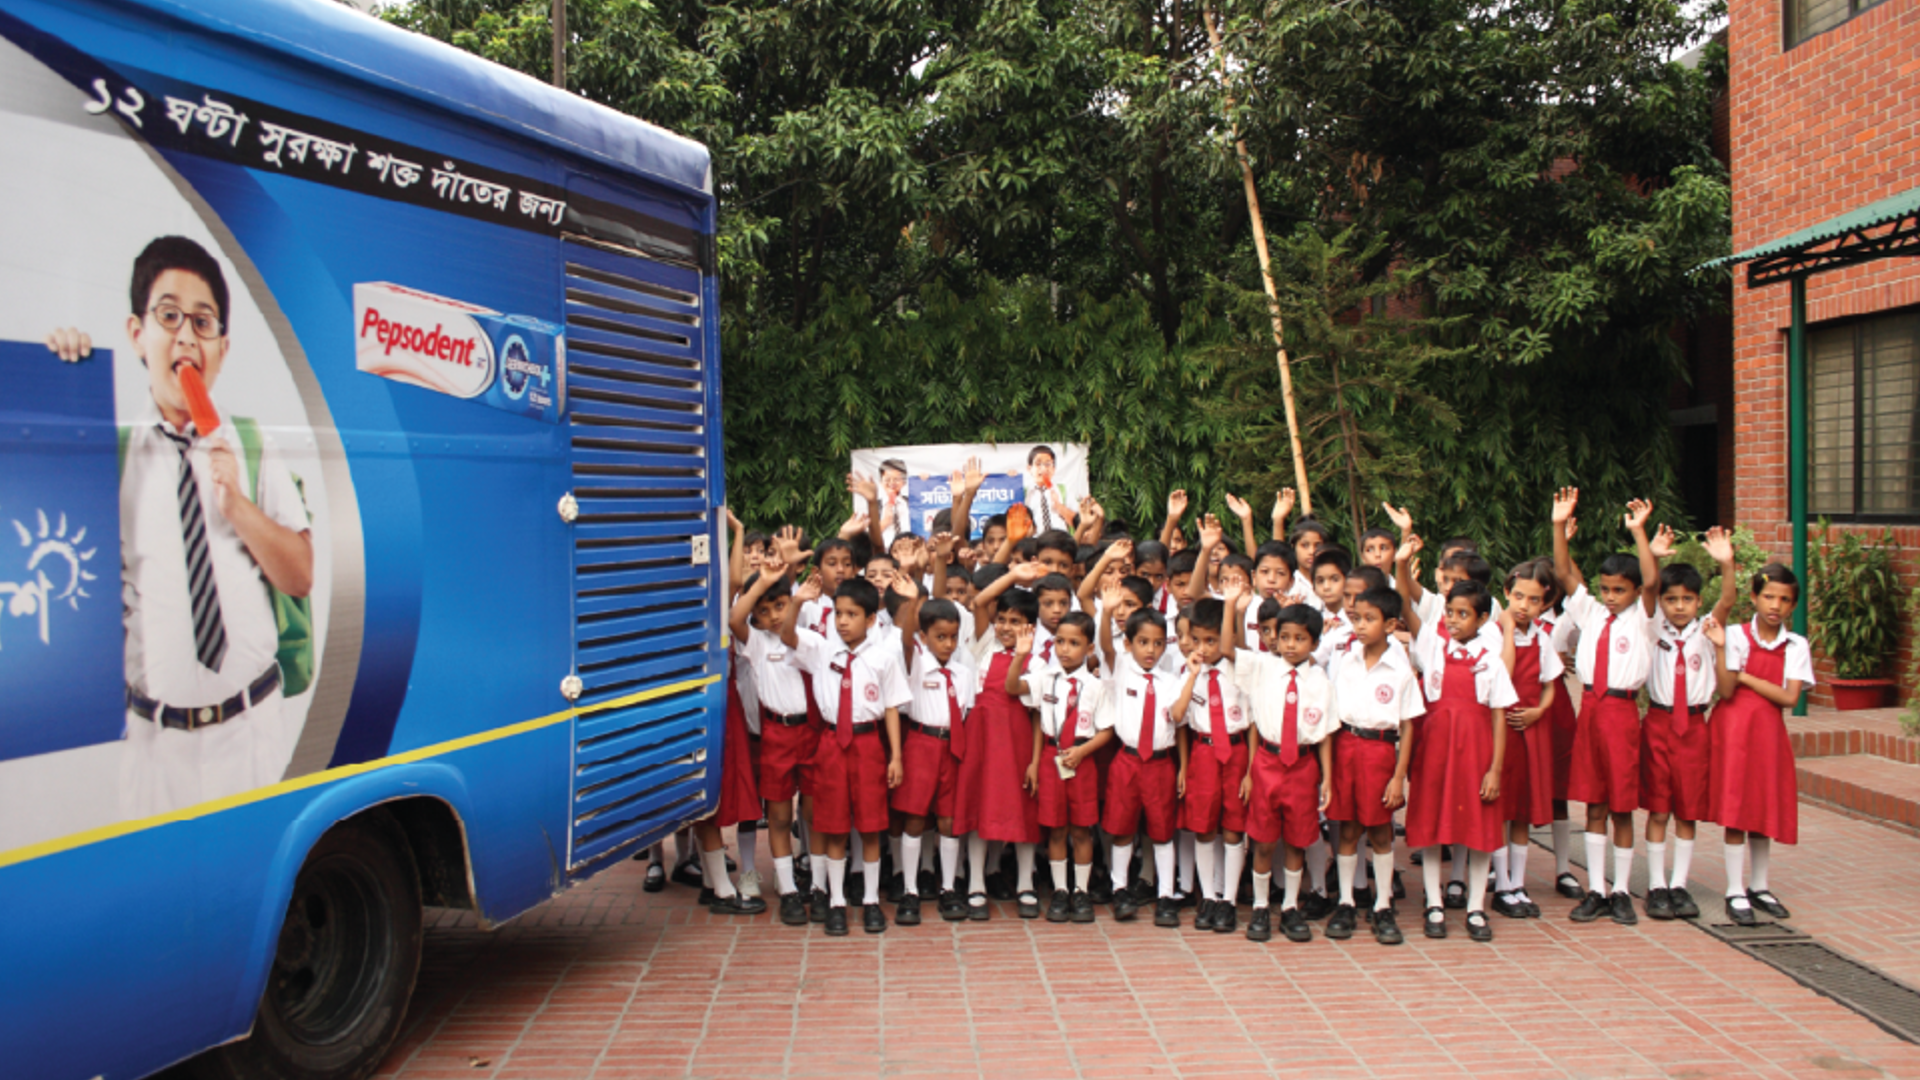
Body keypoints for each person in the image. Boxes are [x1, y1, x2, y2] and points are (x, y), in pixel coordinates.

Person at [56, 237, 316, 819]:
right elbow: (40, 504)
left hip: (252, 734)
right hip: (153, 747)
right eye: (168, 316)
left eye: (202, 322)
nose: (185, 337)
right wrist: (62, 379)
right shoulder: (111, 454)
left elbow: (299, 577)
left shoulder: (254, 444)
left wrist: (237, 505)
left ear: (222, 347)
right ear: (136, 333)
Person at [1551, 489, 1659, 927]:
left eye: (1620, 590)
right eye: (1606, 589)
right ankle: (1596, 888)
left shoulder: (1644, 617)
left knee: (1621, 806)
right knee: (1593, 803)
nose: (1611, 596)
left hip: (1621, 713)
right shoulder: (1591, 612)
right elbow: (1562, 571)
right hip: (1590, 710)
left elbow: (1653, 581)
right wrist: (1559, 526)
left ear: (1633, 591)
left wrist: (1639, 532)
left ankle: (1620, 891)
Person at [779, 576, 909, 936]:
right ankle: (836, 900)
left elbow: (893, 707)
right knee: (833, 826)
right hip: (832, 743)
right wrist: (796, 602)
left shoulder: (884, 657)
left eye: (852, 614)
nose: (843, 621)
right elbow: (788, 636)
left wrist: (895, 757)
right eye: (838, 613)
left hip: (869, 744)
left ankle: (869, 900)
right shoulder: (821, 649)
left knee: (869, 827)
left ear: (871, 619)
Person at [1404, 577, 1513, 942]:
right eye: (1449, 612)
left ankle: (1476, 906)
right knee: (1433, 825)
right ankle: (1433, 902)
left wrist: (1495, 769)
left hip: (1476, 753)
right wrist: (1402, 566)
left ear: (1483, 619)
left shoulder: (1490, 661)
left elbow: (1499, 717)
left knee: (1478, 829)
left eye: (1462, 614)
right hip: (1435, 750)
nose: (1452, 620)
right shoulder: (1433, 648)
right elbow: (1408, 609)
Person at [1704, 562, 1813, 926]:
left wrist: (1746, 673)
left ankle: (1760, 885)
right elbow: (1727, 688)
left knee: (1764, 806)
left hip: (1768, 731)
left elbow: (1788, 698)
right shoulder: (1734, 635)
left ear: (1793, 606)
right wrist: (1725, 656)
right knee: (1736, 807)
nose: (1775, 605)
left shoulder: (1796, 645)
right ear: (1753, 598)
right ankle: (1735, 889)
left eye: (1784, 600)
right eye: (1768, 596)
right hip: (1734, 729)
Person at [1224, 587, 1336, 944]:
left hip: (1303, 767)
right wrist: (1231, 608)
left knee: (1297, 840)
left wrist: (1328, 779)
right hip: (1267, 763)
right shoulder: (1263, 667)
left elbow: (1326, 734)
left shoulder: (1320, 681)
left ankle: (1289, 906)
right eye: (1283, 636)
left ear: (1315, 643)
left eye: (1299, 639)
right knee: (1263, 840)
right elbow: (1228, 649)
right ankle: (1260, 906)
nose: (1289, 645)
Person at [1640, 527, 1737, 921]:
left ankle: (1679, 884)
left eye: (1687, 599)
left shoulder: (1706, 631)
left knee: (1687, 810)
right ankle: (1655, 885)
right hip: (1659, 721)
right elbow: (1647, 588)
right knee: (1658, 809)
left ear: (1699, 601)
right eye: (1672, 599)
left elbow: (1728, 598)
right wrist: (1654, 555)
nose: (1679, 607)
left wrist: (1726, 563)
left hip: (1696, 727)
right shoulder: (1651, 628)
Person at [1324, 586, 1423, 946]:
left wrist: (1399, 776)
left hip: (1380, 753)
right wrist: (1328, 771)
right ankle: (1347, 901)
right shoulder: (1347, 662)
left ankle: (1383, 905)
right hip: (1346, 748)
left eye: (1369, 619)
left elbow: (1409, 724)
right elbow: (1334, 718)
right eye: (1356, 619)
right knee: (1348, 831)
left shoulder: (1400, 671)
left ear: (1390, 624)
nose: (1361, 626)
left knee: (1381, 831)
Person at [730, 558, 819, 925]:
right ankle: (787, 890)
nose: (774, 616)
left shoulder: (809, 637)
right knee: (779, 816)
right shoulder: (757, 643)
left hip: (811, 732)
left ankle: (819, 883)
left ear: (793, 601)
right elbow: (735, 620)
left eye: (780, 605)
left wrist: (788, 592)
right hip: (777, 735)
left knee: (814, 814)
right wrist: (759, 584)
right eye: (764, 611)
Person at [955, 566, 1045, 919]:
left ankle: (1025, 884)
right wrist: (1015, 576)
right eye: (1003, 619)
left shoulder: (1039, 660)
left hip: (1018, 741)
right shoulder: (983, 645)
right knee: (979, 808)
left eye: (1016, 621)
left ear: (1031, 627)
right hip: (981, 738)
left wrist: (1035, 761)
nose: (1006, 627)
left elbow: (1037, 715)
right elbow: (980, 601)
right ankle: (975, 882)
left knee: (1023, 809)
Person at [1010, 612, 1111, 923]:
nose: (1065, 649)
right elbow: (1013, 688)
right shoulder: (1046, 678)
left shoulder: (1096, 686)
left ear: (1090, 648)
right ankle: (1060, 890)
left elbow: (1106, 730)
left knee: (1081, 830)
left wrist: (1082, 751)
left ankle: (1081, 891)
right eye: (1060, 642)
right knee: (1056, 830)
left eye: (1074, 643)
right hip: (1051, 762)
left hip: (1081, 761)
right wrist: (1021, 655)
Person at [890, 579, 974, 925]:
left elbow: (967, 712)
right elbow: (905, 641)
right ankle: (910, 889)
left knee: (949, 821)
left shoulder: (964, 673)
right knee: (914, 817)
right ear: (924, 637)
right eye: (940, 637)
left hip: (953, 746)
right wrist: (911, 604)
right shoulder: (916, 663)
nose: (949, 644)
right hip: (921, 744)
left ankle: (948, 888)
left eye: (953, 637)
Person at [1098, 610, 1187, 925]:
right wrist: (1107, 612)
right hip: (1128, 760)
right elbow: (1106, 647)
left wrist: (1193, 677)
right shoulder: (1120, 670)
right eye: (1143, 642)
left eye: (1158, 643)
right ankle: (1120, 888)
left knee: (1162, 831)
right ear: (1129, 643)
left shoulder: (1172, 681)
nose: (1151, 650)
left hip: (1160, 763)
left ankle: (1165, 895)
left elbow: (1177, 716)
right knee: (1122, 828)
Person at [1489, 559, 1566, 920]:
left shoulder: (1542, 638)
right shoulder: (1490, 632)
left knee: (1521, 810)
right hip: (1499, 733)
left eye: (1533, 600)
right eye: (1518, 596)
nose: (1523, 606)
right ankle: (1501, 883)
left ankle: (1517, 883)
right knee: (1500, 809)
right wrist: (1506, 630)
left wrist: (1540, 711)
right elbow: (1501, 675)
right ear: (1506, 592)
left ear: (1544, 604)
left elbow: (1551, 684)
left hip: (1528, 732)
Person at [1174, 599, 1249, 934]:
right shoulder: (1189, 672)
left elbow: (1256, 722)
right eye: (1198, 640)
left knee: (1233, 827)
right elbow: (1180, 722)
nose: (1203, 648)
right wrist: (1184, 768)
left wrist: (1250, 772)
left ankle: (1228, 900)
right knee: (1203, 827)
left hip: (1236, 753)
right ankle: (1208, 896)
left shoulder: (1241, 669)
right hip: (1203, 754)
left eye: (1212, 641)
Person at [1023, 446, 1075, 534]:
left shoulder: (1063, 491)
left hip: (1060, 540)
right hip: (1034, 542)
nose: (1043, 469)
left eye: (1047, 464)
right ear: (1029, 468)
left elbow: (1077, 522)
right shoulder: (1023, 492)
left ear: (1053, 469)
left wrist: (1059, 506)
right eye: (1038, 464)